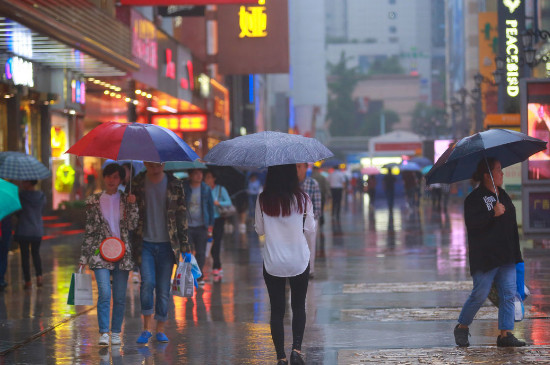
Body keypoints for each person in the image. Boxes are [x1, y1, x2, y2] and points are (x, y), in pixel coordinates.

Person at [454, 158, 526, 348]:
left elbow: (511, 229)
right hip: (485, 257)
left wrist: (517, 257)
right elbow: (472, 224)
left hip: (507, 256)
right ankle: (462, 327)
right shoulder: (474, 199)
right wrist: (492, 214)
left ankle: (505, 334)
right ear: (487, 175)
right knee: (480, 293)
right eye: (498, 170)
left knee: (508, 294)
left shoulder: (503, 196)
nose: (502, 174)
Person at [255, 164, 315, 365]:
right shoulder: (303, 198)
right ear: (292, 174)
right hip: (299, 259)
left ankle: (280, 357)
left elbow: (259, 230)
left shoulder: (263, 199)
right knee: (298, 306)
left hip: (273, 262)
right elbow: (310, 228)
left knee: (277, 310)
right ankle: (296, 350)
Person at [130, 162, 189, 344]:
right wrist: (129, 203)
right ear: (145, 162)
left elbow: (181, 215)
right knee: (147, 283)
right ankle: (146, 328)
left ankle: (160, 328)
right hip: (144, 242)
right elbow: (127, 215)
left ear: (164, 163)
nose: (155, 166)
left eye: (159, 162)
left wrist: (185, 246)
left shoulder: (175, 184)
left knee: (163, 289)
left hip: (167, 245)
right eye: (151, 162)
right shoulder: (136, 183)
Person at [79, 163, 138, 346]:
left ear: (121, 180)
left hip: (122, 252)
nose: (112, 180)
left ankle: (115, 332)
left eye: (116, 177)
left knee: (120, 296)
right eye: (109, 176)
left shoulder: (126, 199)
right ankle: (104, 332)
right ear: (103, 178)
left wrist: (133, 206)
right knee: (104, 292)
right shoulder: (93, 201)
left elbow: (133, 226)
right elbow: (89, 230)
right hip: (99, 252)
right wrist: (83, 258)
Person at [183, 168, 214, 286]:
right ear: (190, 175)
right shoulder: (185, 187)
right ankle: (190, 275)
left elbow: (210, 207)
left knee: (201, 252)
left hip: (202, 226)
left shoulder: (206, 188)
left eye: (200, 173)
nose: (199, 175)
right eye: (195, 173)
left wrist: (210, 225)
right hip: (187, 226)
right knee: (187, 252)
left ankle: (198, 275)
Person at [14, 180, 46, 289]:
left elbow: (17, 212)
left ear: (29, 183)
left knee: (25, 256)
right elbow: (42, 210)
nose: (22, 184)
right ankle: (39, 277)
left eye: (25, 182)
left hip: (24, 229)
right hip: (37, 229)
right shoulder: (41, 196)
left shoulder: (21, 196)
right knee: (36, 254)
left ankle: (27, 281)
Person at [203, 169, 231, 281]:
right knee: (208, 242)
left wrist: (218, 203)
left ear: (214, 178)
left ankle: (216, 265)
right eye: (206, 177)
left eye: (210, 177)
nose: (207, 179)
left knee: (217, 242)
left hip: (218, 219)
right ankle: (217, 266)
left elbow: (228, 202)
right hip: (207, 220)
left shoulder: (220, 189)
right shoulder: (203, 189)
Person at [296, 163, 321, 279]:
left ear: (306, 168)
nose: (297, 170)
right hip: (293, 221)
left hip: (309, 220)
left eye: (300, 166)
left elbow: (317, 205)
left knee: (310, 245)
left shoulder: (312, 183)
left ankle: (310, 269)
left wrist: (311, 220)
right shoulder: (291, 185)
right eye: (295, 167)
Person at [0, 216, 13, 291]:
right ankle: (1, 279)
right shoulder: (6, 212)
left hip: (4, 233)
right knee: (3, 256)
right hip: (5, 234)